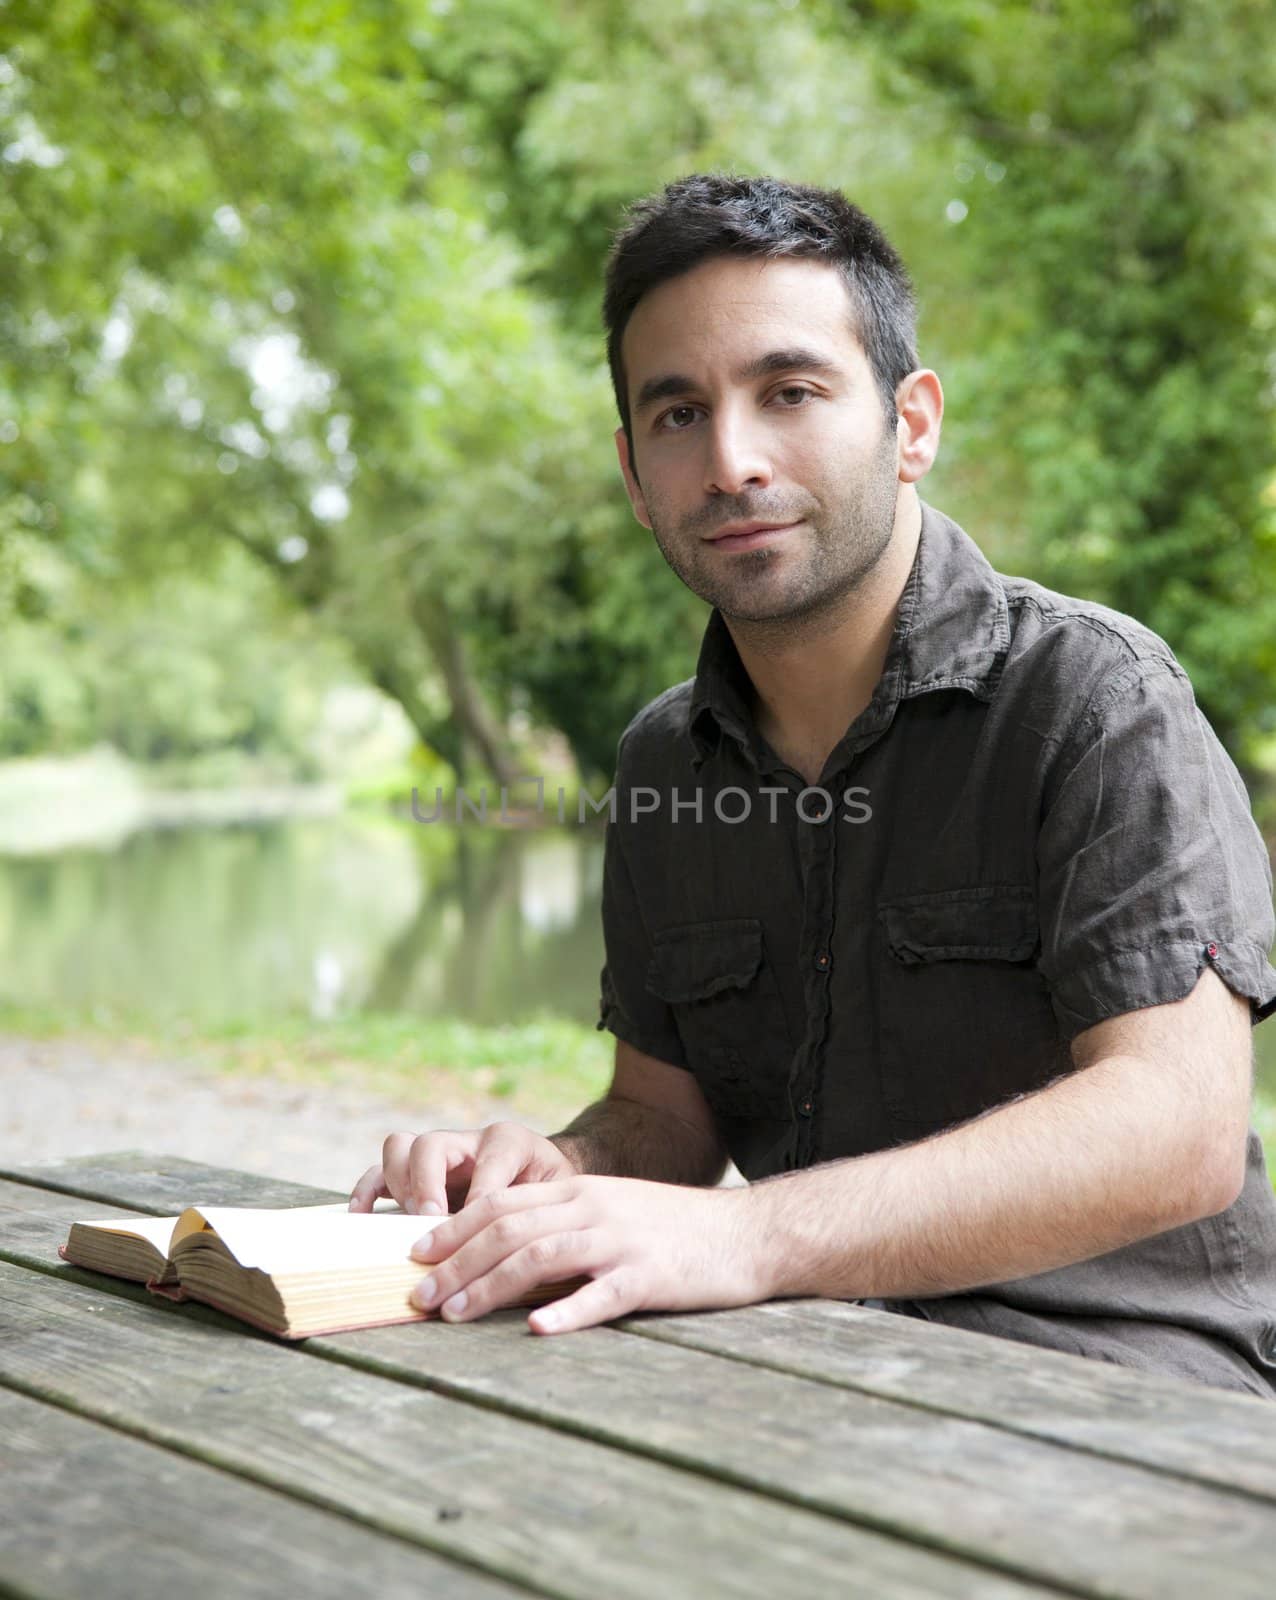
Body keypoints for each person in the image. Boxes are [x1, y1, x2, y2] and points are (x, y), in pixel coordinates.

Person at [350, 173, 1276, 1397]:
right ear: (634, 474)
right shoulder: (660, 763)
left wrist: (750, 1232)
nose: (731, 462)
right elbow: (666, 1123)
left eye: (788, 392)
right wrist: (558, 1169)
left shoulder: (1094, 701)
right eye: (678, 415)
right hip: (812, 1369)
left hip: (1130, 1388)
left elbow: (1179, 1132)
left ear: (913, 424)